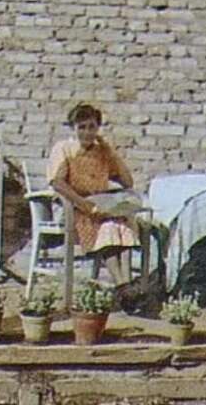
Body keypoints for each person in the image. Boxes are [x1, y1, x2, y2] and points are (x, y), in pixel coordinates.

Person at [47, 102, 139, 285]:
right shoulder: (64, 148)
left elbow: (127, 182)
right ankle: (123, 285)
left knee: (124, 224)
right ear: (73, 128)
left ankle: (126, 285)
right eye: (82, 127)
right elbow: (57, 182)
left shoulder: (101, 152)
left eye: (92, 127)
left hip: (99, 207)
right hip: (73, 207)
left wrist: (111, 152)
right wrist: (83, 203)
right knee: (108, 227)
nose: (87, 132)